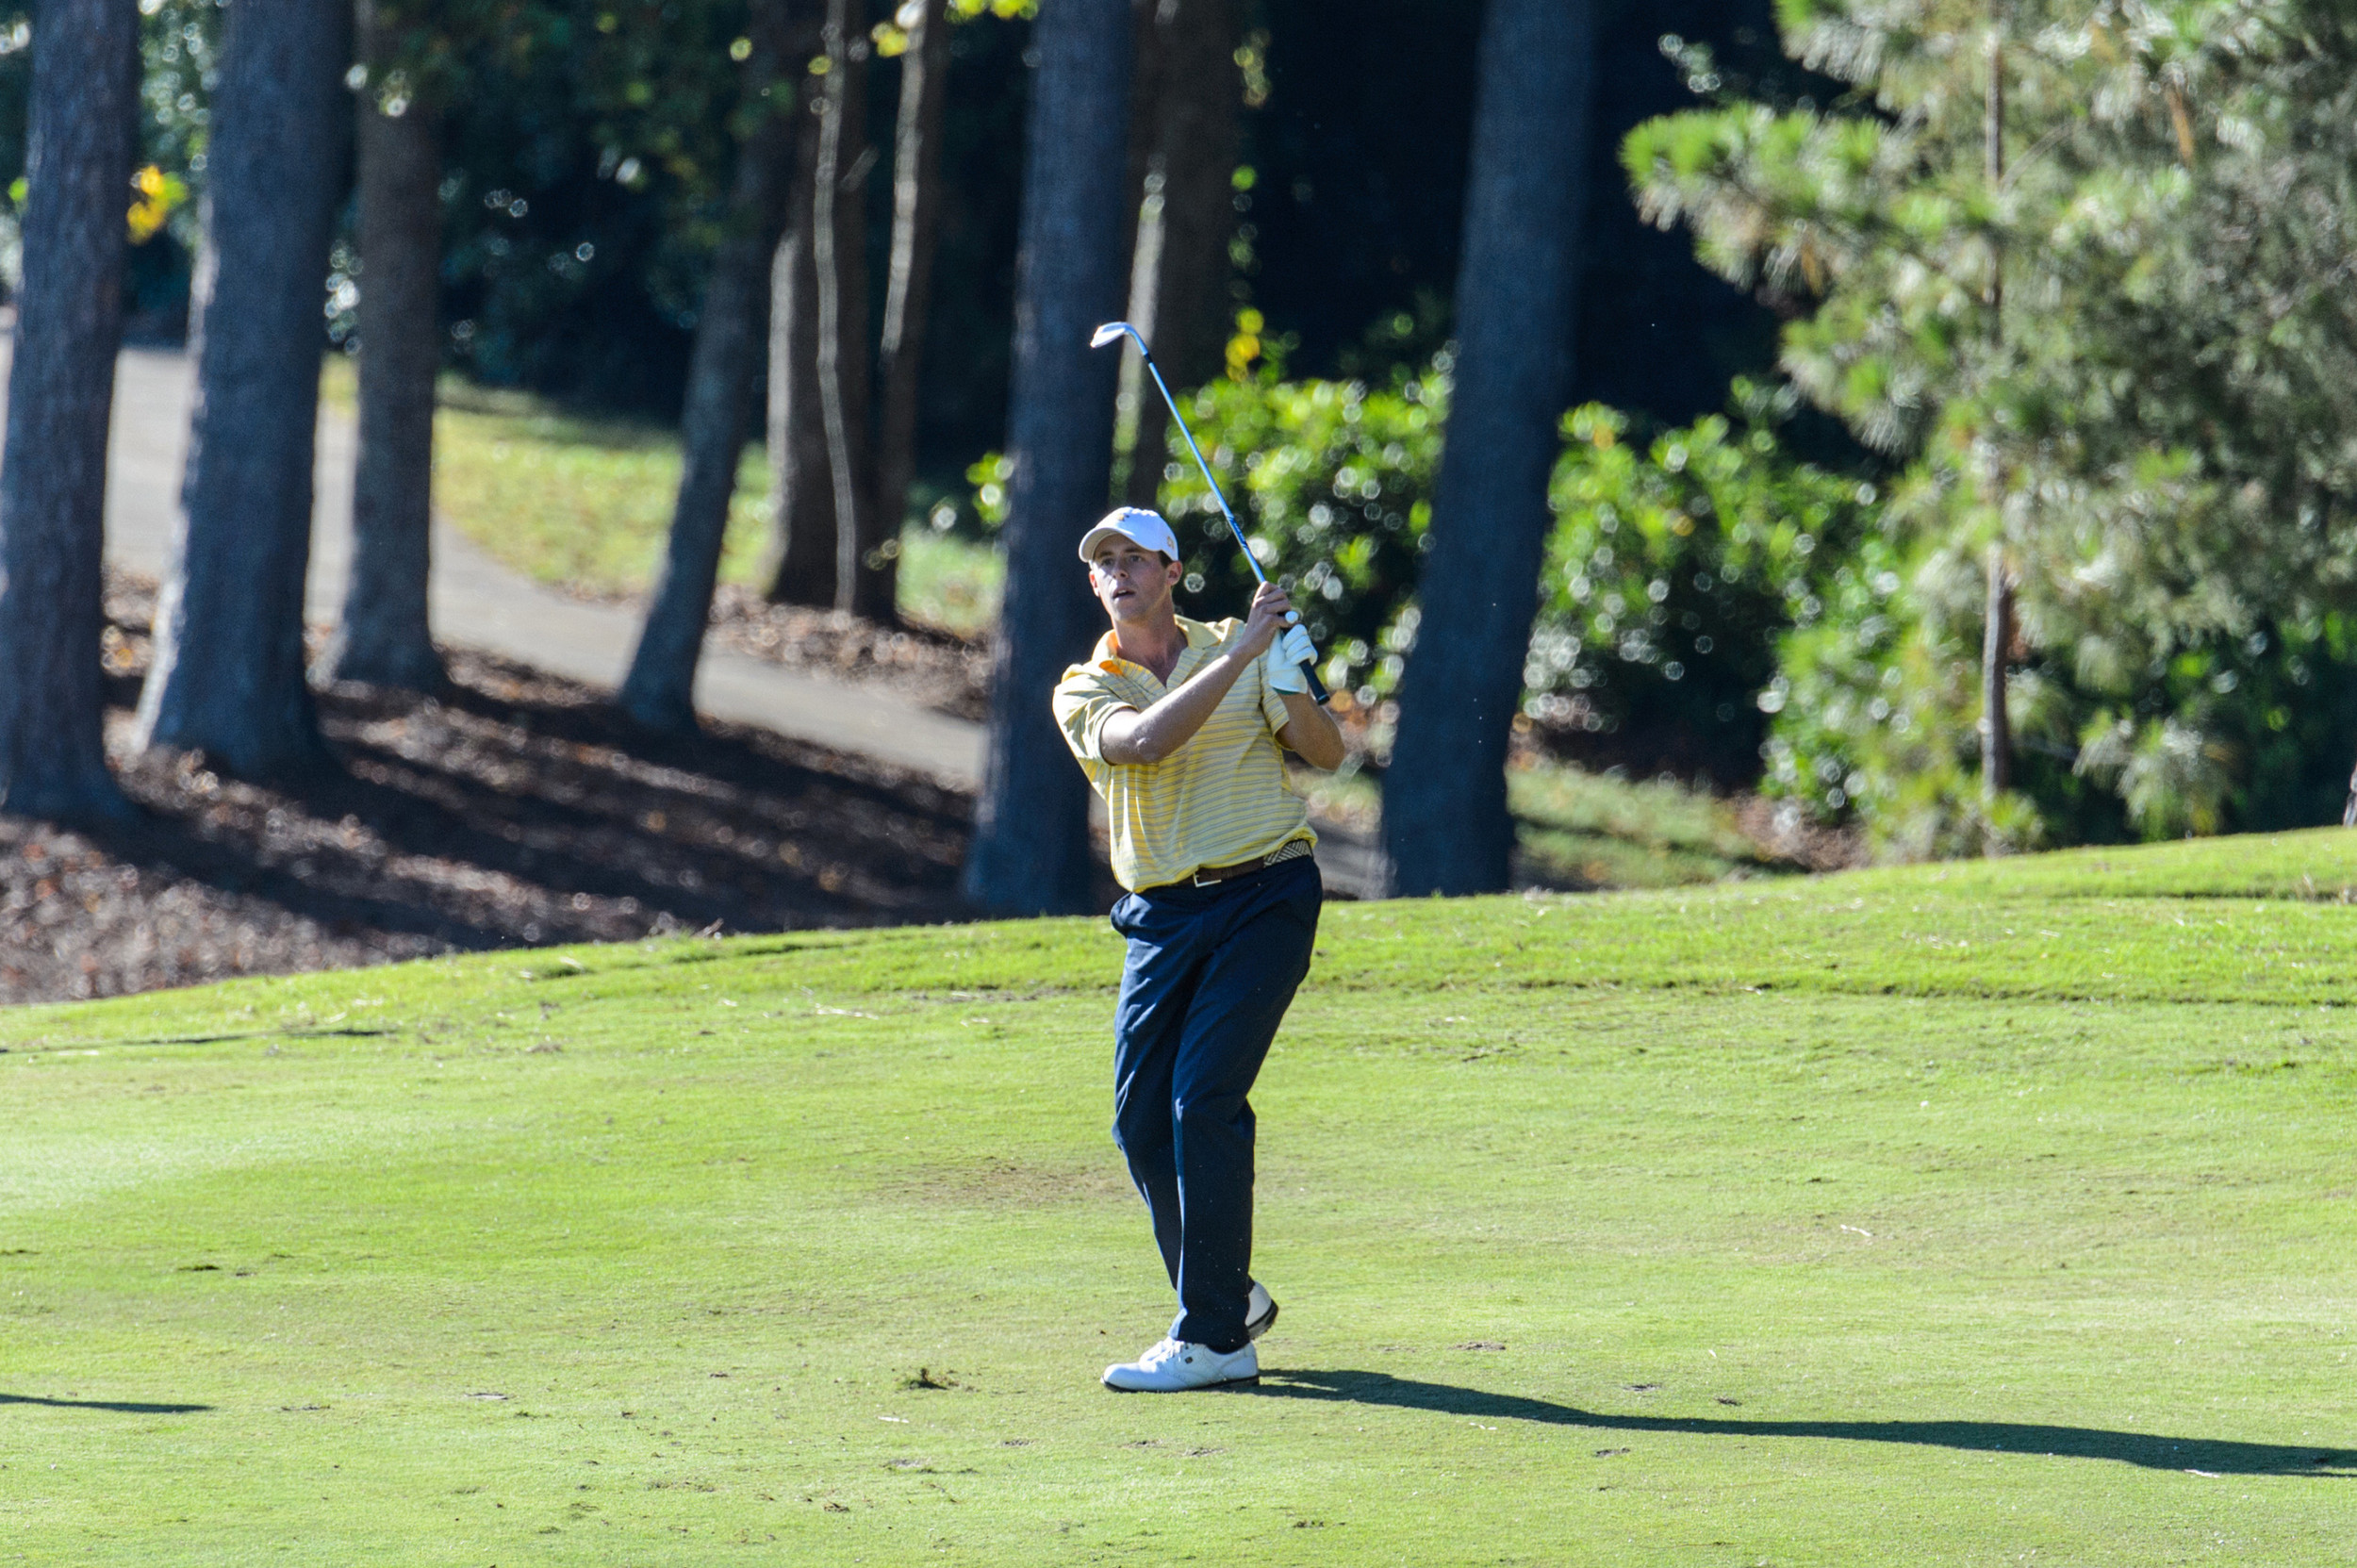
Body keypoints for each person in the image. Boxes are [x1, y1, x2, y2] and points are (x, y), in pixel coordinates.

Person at [1052, 506, 1348, 1393]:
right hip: (1162, 916)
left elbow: (1326, 754)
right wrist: (1244, 657)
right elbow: (1144, 743)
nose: (1116, 573)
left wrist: (1293, 678)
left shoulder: (1243, 639)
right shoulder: (1084, 684)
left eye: (1133, 558)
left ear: (1173, 571)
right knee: (1140, 1122)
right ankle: (1225, 1292)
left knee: (1202, 1097)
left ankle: (1213, 1335)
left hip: (1267, 895)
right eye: (1102, 562)